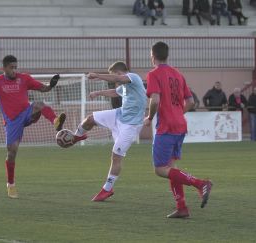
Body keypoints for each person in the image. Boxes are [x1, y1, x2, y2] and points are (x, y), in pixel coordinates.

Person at [0, 55, 66, 199]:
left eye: (15, 67)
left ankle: (55, 121)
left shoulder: (24, 78)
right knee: (12, 153)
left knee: (39, 104)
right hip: (12, 121)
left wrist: (51, 85)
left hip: (26, 113)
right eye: (11, 68)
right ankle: (11, 184)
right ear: (4, 68)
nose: (14, 70)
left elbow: (44, 89)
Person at [144, 42, 212, 218]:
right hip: (180, 125)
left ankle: (200, 183)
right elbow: (190, 102)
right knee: (172, 168)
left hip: (166, 126)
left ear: (153, 55)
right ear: (167, 55)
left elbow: (155, 100)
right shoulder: (178, 74)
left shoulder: (154, 74)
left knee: (160, 169)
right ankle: (182, 208)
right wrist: (177, 113)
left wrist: (150, 117)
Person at [72, 61, 147, 202]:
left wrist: (98, 76)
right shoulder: (124, 86)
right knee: (90, 119)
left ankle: (107, 188)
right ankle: (76, 136)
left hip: (131, 125)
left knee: (116, 156)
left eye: (114, 76)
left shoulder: (133, 77)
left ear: (120, 73)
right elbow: (115, 92)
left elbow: (117, 80)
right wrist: (97, 93)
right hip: (119, 115)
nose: (114, 80)